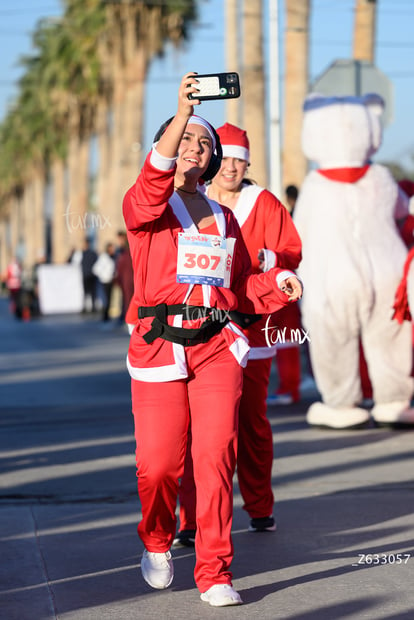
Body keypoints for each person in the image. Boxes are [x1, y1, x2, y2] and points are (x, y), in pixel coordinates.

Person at [122, 73, 303, 607]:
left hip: (217, 347)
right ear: (166, 146)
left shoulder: (225, 216)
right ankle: (156, 538)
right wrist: (184, 110)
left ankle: (215, 570)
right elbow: (154, 180)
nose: (196, 147)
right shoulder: (145, 208)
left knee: (215, 453)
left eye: (205, 141)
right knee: (158, 465)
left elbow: (240, 281)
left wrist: (278, 285)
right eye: (185, 139)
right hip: (158, 345)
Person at [174, 123, 302, 548]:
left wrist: (269, 259)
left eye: (238, 159)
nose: (230, 166)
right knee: (197, 431)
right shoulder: (196, 198)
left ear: (248, 162)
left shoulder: (262, 201)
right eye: (224, 157)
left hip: (255, 328)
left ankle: (260, 505)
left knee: (250, 421)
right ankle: (191, 519)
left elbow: (292, 250)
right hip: (203, 330)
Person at [267, 184, 303, 406]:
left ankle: (290, 388)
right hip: (288, 284)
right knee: (286, 342)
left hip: (285, 285)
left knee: (285, 341)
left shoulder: (289, 221)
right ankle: (290, 388)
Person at [92, 242, 117, 322]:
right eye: (112, 248)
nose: (113, 250)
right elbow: (95, 269)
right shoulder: (103, 257)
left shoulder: (113, 257)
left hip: (111, 280)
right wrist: (104, 276)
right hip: (105, 281)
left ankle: (108, 315)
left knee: (110, 299)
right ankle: (105, 316)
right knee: (106, 299)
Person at [115, 231, 134, 323]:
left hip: (128, 280)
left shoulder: (126, 253)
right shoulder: (122, 252)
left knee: (128, 300)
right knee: (126, 299)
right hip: (127, 280)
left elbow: (120, 267)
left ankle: (128, 319)